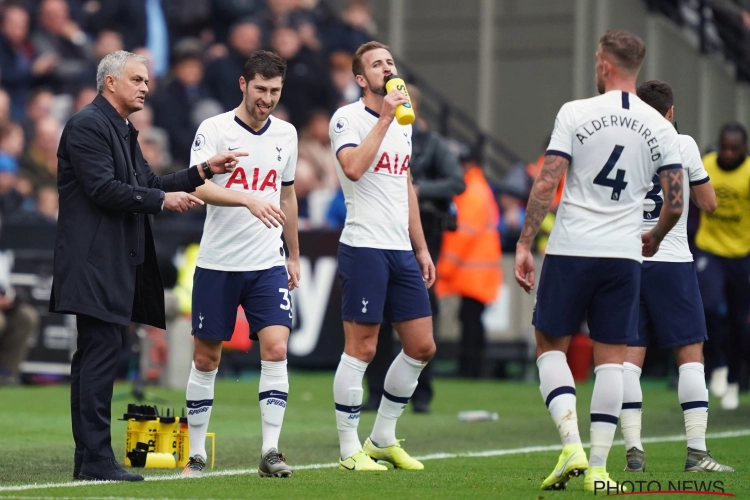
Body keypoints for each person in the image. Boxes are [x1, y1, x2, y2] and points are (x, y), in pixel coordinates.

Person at [50, 50, 244, 482]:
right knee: (99, 356)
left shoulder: (121, 129)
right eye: (137, 79)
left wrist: (200, 171)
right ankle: (96, 458)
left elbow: (148, 184)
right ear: (111, 82)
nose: (145, 87)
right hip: (92, 262)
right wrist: (161, 201)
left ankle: (90, 457)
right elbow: (104, 189)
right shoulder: (87, 125)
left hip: (110, 261)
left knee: (96, 356)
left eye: (147, 81)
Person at [514, 30, 685, 492]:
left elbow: (548, 181)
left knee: (551, 346)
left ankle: (570, 444)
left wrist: (525, 242)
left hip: (572, 248)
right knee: (612, 360)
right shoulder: (661, 128)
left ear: (606, 65)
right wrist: (655, 236)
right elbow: (676, 201)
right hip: (624, 255)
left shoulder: (576, 112)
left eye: (596, 59)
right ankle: (600, 470)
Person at [178, 50, 297, 479]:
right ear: (243, 85)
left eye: (275, 91)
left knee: (277, 349)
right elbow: (199, 186)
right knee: (207, 358)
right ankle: (195, 454)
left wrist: (295, 253)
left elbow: (287, 195)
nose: (268, 98)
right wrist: (247, 198)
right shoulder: (214, 129)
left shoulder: (287, 134)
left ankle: (270, 451)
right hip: (218, 262)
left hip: (267, 263)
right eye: (261, 89)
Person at [328, 41, 436, 471]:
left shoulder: (403, 122)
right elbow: (353, 167)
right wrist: (387, 116)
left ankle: (383, 437)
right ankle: (347, 448)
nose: (387, 68)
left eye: (390, 61)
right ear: (361, 79)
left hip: (400, 249)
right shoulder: (348, 117)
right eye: (377, 64)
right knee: (363, 348)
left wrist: (421, 246)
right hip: (364, 245)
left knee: (422, 346)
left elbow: (403, 183)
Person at [619, 80, 733, 473]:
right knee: (690, 356)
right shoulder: (680, 143)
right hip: (671, 260)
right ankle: (697, 452)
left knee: (628, 361)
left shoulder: (623, 145)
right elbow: (709, 204)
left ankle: (633, 451)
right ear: (669, 111)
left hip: (629, 262)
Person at [364, 84, 464, 412]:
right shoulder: (375, 134)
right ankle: (376, 392)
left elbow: (456, 181)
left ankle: (421, 395)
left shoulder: (431, 143)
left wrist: (419, 189)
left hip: (423, 234)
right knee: (375, 317)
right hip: (381, 232)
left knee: (421, 314)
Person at [695, 122, 750, 410]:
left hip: (741, 254)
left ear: (744, 149)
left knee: (740, 323)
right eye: (724, 147)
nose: (727, 153)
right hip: (710, 249)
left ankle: (732, 379)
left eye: (734, 149)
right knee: (708, 307)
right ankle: (715, 365)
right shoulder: (706, 165)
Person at [435, 145, 501, 379]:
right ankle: (471, 367)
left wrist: (443, 268)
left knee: (471, 319)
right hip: (478, 271)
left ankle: (470, 368)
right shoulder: (480, 188)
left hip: (474, 271)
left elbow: (463, 234)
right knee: (470, 318)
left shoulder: (472, 192)